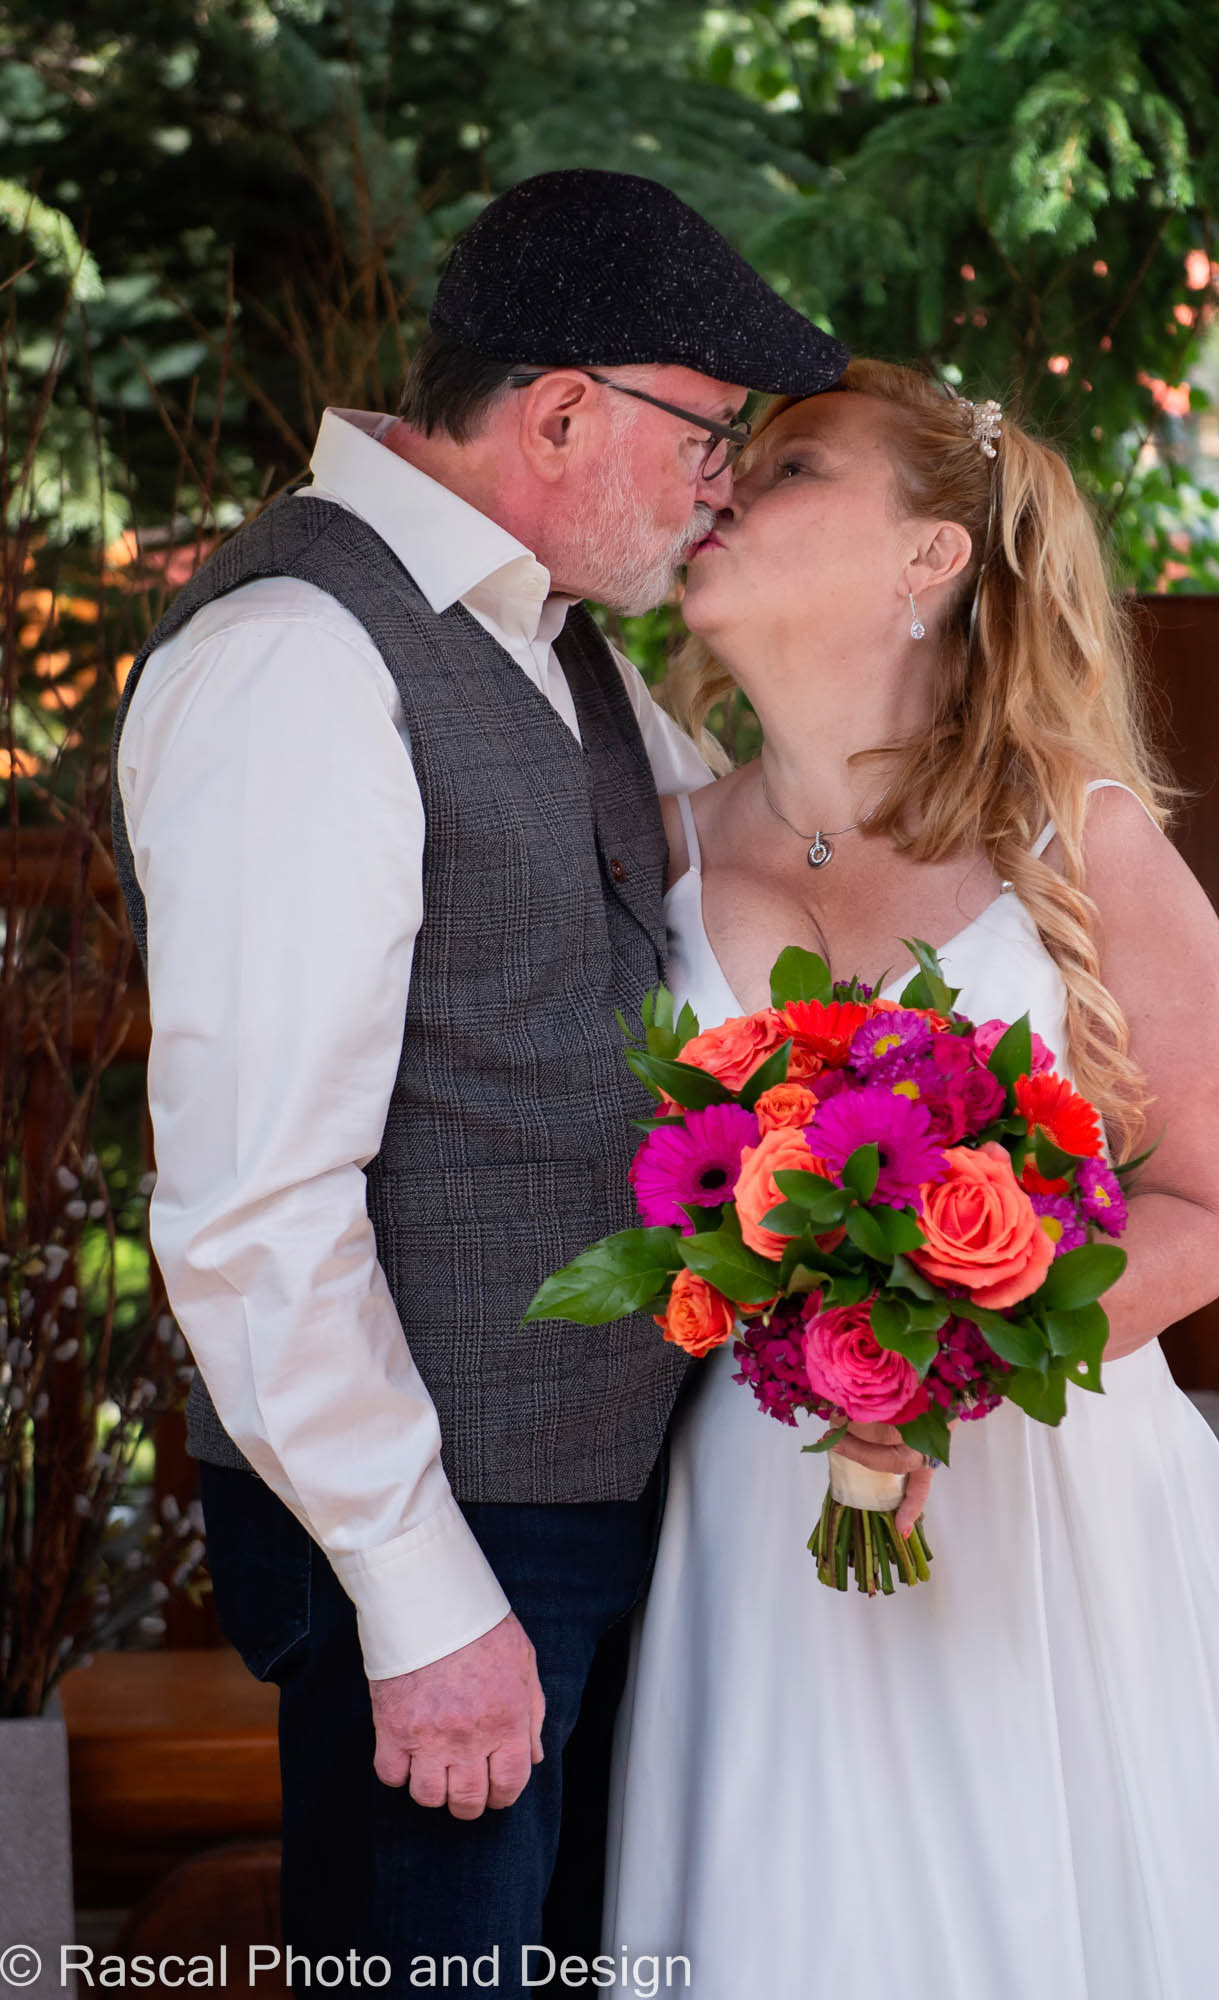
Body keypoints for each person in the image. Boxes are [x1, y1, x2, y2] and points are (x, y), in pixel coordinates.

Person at [109, 170, 848, 1993]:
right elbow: (254, 1205)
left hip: (576, 1504)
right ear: (563, 412)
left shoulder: (555, 636)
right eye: (712, 434)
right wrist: (425, 1602)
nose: (724, 483)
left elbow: (753, 888)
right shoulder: (295, 659)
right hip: (439, 1537)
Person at [603, 359, 1219, 1998]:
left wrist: (947, 1359)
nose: (723, 487)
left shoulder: (1076, 839)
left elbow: (1208, 1206)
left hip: (1055, 1523)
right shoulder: (650, 842)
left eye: (789, 471)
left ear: (931, 558)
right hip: (764, 1511)